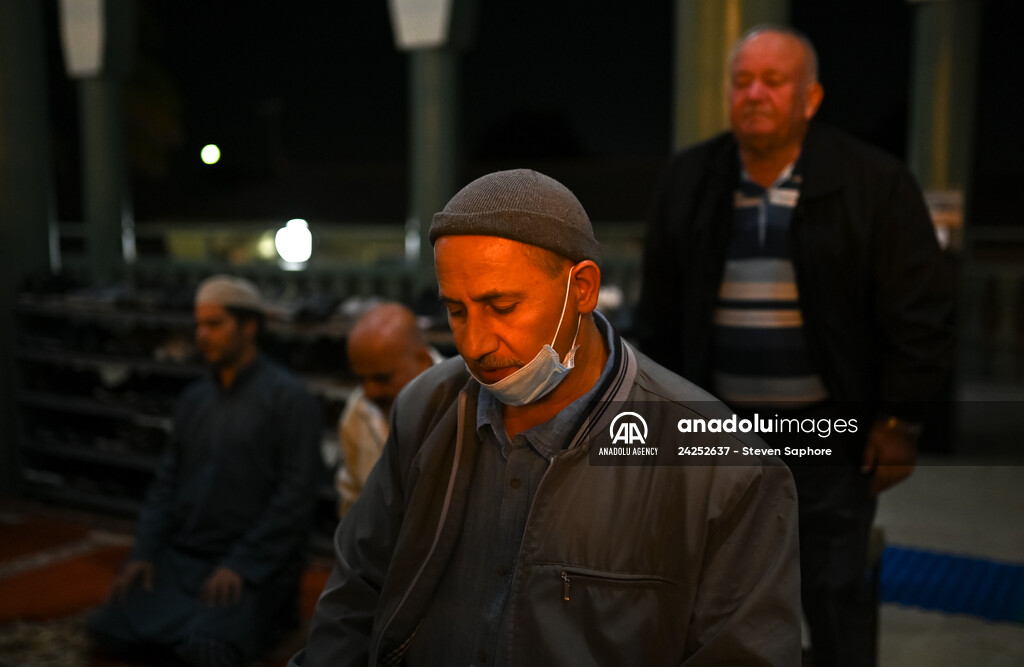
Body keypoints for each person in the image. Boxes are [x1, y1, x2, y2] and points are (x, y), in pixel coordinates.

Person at [291, 169, 801, 666]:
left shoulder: (721, 466)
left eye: (502, 306)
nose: (474, 344)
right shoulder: (426, 408)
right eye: (457, 310)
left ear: (582, 289)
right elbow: (357, 593)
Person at [636, 26, 954, 667]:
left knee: (835, 590)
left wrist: (900, 419)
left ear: (810, 98)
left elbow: (919, 309)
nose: (754, 94)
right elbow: (661, 312)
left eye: (773, 82)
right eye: (742, 81)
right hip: (717, 434)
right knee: (713, 592)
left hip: (831, 437)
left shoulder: (874, 183)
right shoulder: (691, 178)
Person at [88, 275, 324, 667]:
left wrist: (242, 564)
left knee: (207, 650)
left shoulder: (290, 400)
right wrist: (144, 553)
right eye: (198, 325)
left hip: (255, 565)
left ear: (249, 327)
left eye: (214, 324)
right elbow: (165, 483)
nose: (202, 335)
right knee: (108, 627)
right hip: (186, 557)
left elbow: (296, 498)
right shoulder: (193, 400)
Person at [336, 302, 442, 515]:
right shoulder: (358, 412)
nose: (369, 392)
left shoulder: (468, 404)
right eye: (360, 379)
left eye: (382, 378)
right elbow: (352, 497)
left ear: (421, 360)